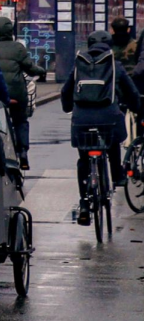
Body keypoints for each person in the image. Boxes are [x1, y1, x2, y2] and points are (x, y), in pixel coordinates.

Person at [61, 30, 142, 225]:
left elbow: (66, 91)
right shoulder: (116, 65)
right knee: (112, 140)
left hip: (81, 120)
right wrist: (136, 107)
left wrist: (68, 108)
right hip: (108, 118)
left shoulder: (79, 64)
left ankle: (83, 203)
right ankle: (116, 176)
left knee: (83, 158)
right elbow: (131, 92)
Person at [0, 16, 46, 169]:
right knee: (21, 121)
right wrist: (41, 71)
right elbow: (29, 68)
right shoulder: (18, 48)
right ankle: (22, 152)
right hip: (16, 94)